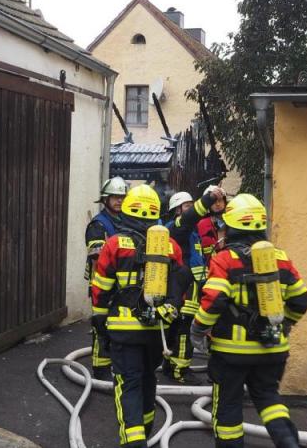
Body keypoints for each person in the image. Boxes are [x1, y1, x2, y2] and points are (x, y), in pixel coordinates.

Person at [190, 193, 307, 448]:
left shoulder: (225, 259)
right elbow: (302, 299)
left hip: (232, 352)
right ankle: (289, 442)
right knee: (269, 400)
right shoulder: (280, 258)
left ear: (231, 226)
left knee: (229, 407)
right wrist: (285, 324)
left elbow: (215, 299)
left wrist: (198, 329)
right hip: (273, 349)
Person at [90, 184, 189, 447]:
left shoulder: (115, 245)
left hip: (124, 331)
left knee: (129, 384)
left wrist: (99, 322)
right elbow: (181, 287)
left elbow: (100, 287)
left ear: (126, 211)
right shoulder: (170, 247)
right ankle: (145, 432)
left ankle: (133, 441)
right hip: (157, 331)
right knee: (148, 379)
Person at [163, 187, 225, 384]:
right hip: (182, 289)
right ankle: (179, 371)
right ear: (178, 210)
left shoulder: (190, 233)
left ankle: (170, 366)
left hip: (192, 287)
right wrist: (208, 199)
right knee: (184, 329)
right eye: (187, 206)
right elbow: (191, 217)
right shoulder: (177, 227)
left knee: (179, 327)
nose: (191, 210)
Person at [84, 176, 128, 381]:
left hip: (121, 285)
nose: (119, 201)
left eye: (122, 197)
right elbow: (97, 257)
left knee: (118, 327)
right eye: (115, 197)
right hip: (102, 285)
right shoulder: (98, 225)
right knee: (101, 326)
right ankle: (100, 368)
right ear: (105, 199)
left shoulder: (125, 221)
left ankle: (115, 363)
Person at [197, 190, 228, 265]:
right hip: (209, 266)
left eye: (220, 201)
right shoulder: (202, 224)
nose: (217, 204)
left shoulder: (232, 222)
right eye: (214, 202)